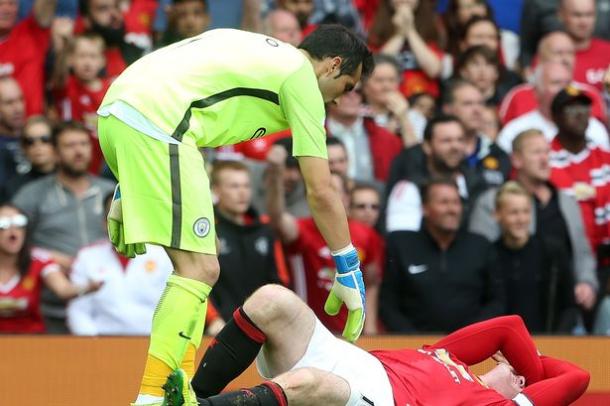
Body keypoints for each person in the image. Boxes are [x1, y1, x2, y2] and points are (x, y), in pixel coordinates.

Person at [96, 25, 373, 405]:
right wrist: (346, 263)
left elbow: (180, 85)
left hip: (117, 113)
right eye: (347, 87)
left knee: (195, 269)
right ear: (332, 65)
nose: (340, 102)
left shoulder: (258, 49)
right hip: (158, 126)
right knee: (200, 269)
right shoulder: (301, 78)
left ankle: (172, 391)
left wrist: (132, 179)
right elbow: (321, 189)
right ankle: (153, 397)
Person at [166, 284, 589, 406]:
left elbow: (577, 377)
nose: (517, 370)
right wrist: (527, 367)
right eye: (514, 365)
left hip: (375, 400)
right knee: (271, 301)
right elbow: (509, 327)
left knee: (312, 384)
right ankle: (193, 395)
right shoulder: (451, 356)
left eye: (522, 377)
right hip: (353, 358)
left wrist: (525, 382)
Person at [470, 129, 598, 312]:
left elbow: (582, 252)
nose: (545, 159)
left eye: (547, 152)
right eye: (536, 153)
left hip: (561, 303)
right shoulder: (491, 201)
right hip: (510, 302)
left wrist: (587, 282)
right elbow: (479, 253)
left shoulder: (567, 202)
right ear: (516, 159)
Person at [265, 145, 382, 336]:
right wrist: (275, 175)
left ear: (346, 197)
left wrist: (369, 328)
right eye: (325, 193)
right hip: (308, 333)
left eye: (335, 192)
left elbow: (371, 282)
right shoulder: (302, 229)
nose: (329, 199)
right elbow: (277, 218)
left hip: (351, 334)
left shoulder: (366, 234)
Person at [11, 121, 115, 333]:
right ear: (56, 153)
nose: (78, 151)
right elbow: (10, 241)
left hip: (107, 306)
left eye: (83, 144)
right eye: (69, 146)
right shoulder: (32, 195)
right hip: (51, 308)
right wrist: (50, 258)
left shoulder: (112, 192)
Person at [382, 178, 504, 332]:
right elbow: (388, 303)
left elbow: (496, 302)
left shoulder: (480, 245)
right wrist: (413, 341)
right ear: (424, 208)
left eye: (456, 202)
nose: (452, 209)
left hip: (469, 346)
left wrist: (471, 335)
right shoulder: (401, 244)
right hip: (412, 348)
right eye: (444, 202)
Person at [66, 193, 174, 336]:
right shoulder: (87, 257)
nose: (123, 223)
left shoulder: (163, 256)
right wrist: (93, 346)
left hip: (154, 343)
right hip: (101, 345)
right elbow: (78, 310)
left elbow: (174, 307)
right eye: (115, 218)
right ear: (105, 224)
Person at [0, 204, 101, 334]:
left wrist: (88, 286)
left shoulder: (38, 259)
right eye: (3, 224)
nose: (13, 231)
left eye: (19, 223)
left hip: (31, 343)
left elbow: (64, 290)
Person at [493, 181, 579, 333]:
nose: (521, 219)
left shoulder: (553, 252)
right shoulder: (489, 255)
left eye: (526, 212)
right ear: (497, 215)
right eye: (514, 212)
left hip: (549, 344)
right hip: (501, 348)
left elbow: (569, 307)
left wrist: (557, 341)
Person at [209, 160, 286, 321]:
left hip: (262, 325)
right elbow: (197, 281)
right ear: (216, 190)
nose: (242, 192)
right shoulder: (207, 230)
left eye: (246, 186)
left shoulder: (265, 229)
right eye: (234, 186)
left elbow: (280, 280)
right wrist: (213, 319)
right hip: (220, 327)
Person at [497, 62, 610, 153]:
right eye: (556, 83)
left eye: (567, 84)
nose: (563, 90)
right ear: (536, 91)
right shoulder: (514, 131)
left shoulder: (593, 128)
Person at [368, 0, 443, 98]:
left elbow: (433, 70)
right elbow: (376, 67)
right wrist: (399, 34)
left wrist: (410, 29)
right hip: (386, 97)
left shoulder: (433, 23)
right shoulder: (376, 22)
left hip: (424, 100)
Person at [0, 0, 57, 116]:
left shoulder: (32, 32)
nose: (6, 10)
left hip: (33, 126)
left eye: (11, 4)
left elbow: (45, 7)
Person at [1, 116, 56, 202]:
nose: (37, 146)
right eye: (30, 141)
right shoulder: (13, 187)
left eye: (45, 139)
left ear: (56, 143)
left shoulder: (71, 180)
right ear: (23, 147)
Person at [558, 0, 610, 92]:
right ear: (561, 15)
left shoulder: (608, 52)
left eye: (589, 14)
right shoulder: (550, 56)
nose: (584, 22)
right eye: (577, 15)